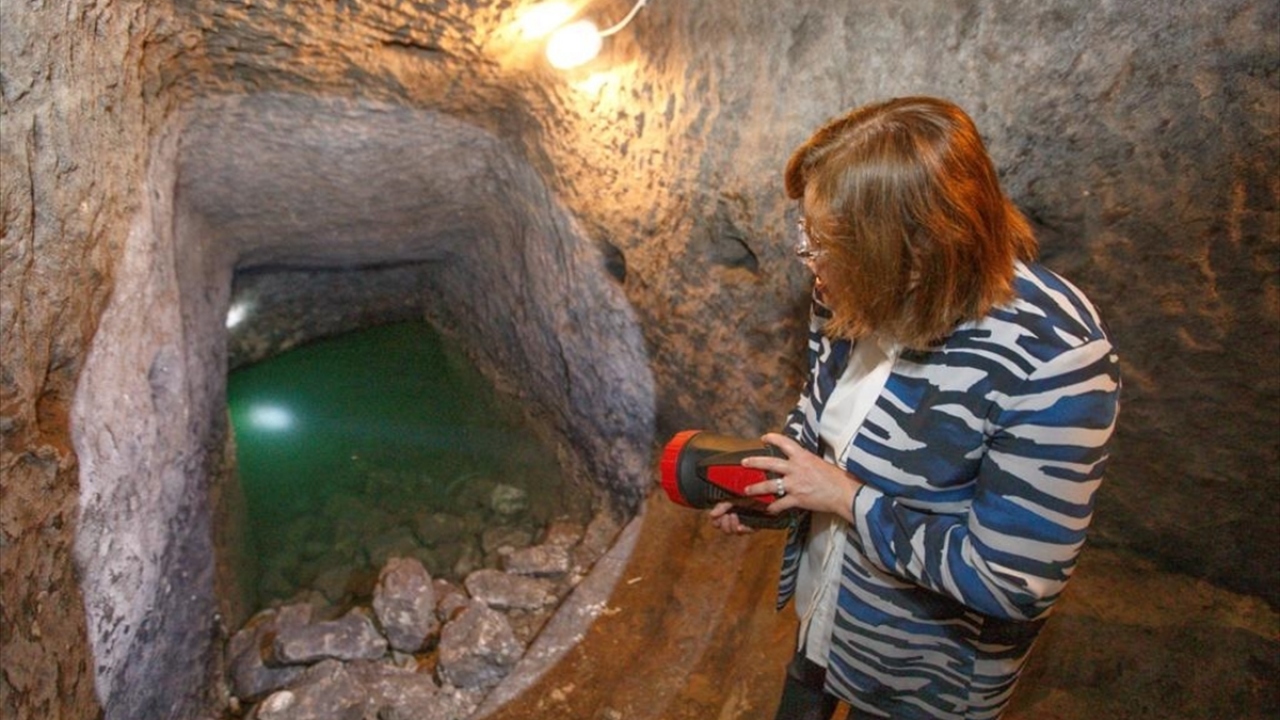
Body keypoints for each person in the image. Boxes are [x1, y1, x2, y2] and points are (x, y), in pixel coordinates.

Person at [709, 96, 1121, 720]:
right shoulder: (847, 285)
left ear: (913, 255)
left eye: (826, 246)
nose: (812, 266)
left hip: (923, 672)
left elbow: (1013, 582)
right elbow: (820, 407)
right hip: (828, 606)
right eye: (808, 238)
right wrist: (776, 487)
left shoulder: (1054, 360)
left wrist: (845, 499)